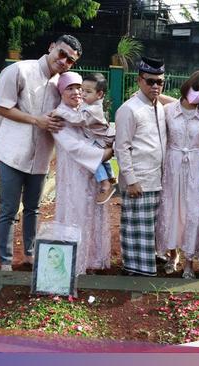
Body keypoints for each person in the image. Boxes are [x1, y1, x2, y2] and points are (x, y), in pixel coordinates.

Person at [0, 34, 81, 272]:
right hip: (12, 152)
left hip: (41, 156)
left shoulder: (61, 84)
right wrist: (35, 120)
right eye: (62, 54)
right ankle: (5, 261)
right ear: (51, 47)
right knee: (9, 209)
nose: (64, 62)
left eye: (70, 61)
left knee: (33, 207)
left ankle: (30, 255)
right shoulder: (19, 70)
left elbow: (71, 111)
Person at [155, 70, 199, 279]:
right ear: (189, 84)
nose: (198, 94)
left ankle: (189, 261)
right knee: (171, 210)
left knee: (192, 213)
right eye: (197, 88)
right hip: (172, 166)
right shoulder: (168, 110)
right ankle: (173, 255)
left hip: (196, 168)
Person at [52, 74, 112, 274]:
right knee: (75, 213)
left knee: (92, 213)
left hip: (90, 171)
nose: (76, 92)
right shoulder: (58, 115)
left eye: (80, 88)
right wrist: (105, 154)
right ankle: (75, 262)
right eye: (70, 88)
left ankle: (93, 259)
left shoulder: (84, 110)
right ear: (61, 91)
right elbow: (74, 147)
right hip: (73, 173)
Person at [114, 56, 167, 276]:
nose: (155, 86)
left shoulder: (159, 107)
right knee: (135, 228)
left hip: (156, 178)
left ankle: (145, 264)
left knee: (148, 228)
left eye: (160, 82)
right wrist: (131, 180)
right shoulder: (129, 109)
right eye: (150, 81)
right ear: (139, 80)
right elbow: (121, 147)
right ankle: (136, 268)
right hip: (138, 180)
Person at [51, 72, 117, 204]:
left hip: (101, 140)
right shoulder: (86, 105)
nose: (80, 93)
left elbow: (78, 119)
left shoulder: (93, 109)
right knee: (100, 159)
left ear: (99, 94)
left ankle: (105, 183)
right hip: (99, 139)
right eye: (70, 88)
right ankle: (111, 178)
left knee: (95, 157)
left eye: (86, 91)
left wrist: (60, 113)